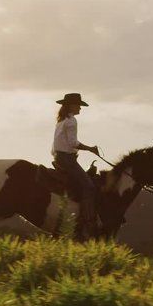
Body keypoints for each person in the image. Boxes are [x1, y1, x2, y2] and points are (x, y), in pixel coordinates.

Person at [52, 93, 100, 237]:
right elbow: (73, 143)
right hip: (67, 159)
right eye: (78, 105)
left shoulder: (61, 120)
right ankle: (88, 220)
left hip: (59, 157)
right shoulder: (72, 121)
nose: (80, 107)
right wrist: (91, 148)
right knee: (89, 186)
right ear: (72, 105)